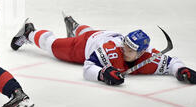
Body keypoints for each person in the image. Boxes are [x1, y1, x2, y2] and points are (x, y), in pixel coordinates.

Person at [10, 13, 196, 85]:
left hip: (103, 34)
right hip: (86, 45)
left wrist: (182, 70)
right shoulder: (111, 51)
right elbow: (88, 66)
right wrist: (103, 74)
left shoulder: (150, 58)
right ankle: (29, 32)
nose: (124, 50)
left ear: (141, 53)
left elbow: (172, 63)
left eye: (130, 50)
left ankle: (75, 26)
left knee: (92, 32)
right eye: (125, 45)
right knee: (53, 46)